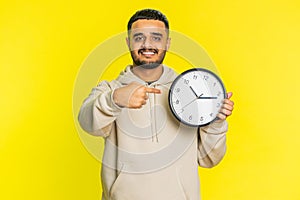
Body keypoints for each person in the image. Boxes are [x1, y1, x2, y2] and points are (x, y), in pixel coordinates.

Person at [78, 8, 234, 200]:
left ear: (167, 43)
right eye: (139, 38)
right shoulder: (110, 89)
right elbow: (86, 122)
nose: (147, 44)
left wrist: (216, 122)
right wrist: (115, 99)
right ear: (128, 42)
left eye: (156, 38)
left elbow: (208, 158)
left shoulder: (190, 91)